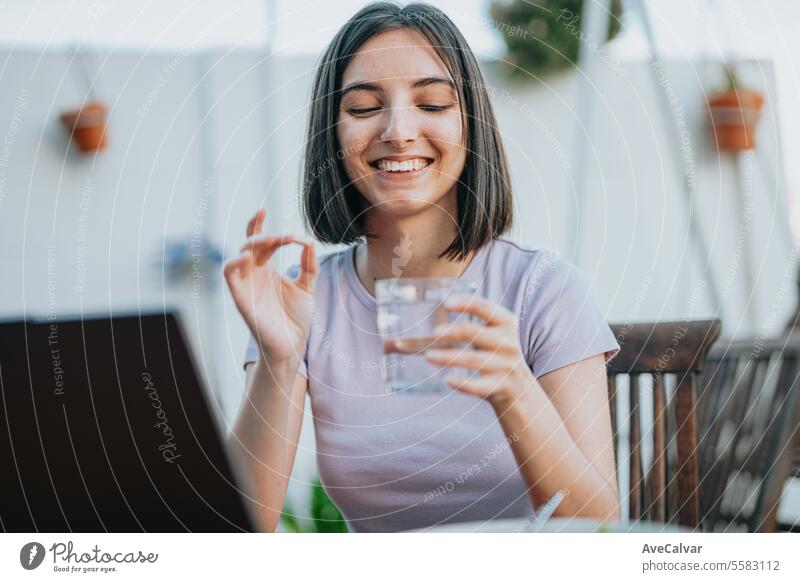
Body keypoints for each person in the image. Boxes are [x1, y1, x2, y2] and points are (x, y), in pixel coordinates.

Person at [225, 1, 620, 533]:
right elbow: (236, 532)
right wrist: (278, 357)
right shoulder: (306, 301)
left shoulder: (542, 291)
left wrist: (514, 390)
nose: (399, 130)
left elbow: (600, 527)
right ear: (333, 137)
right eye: (364, 109)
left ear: (470, 126)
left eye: (432, 103)